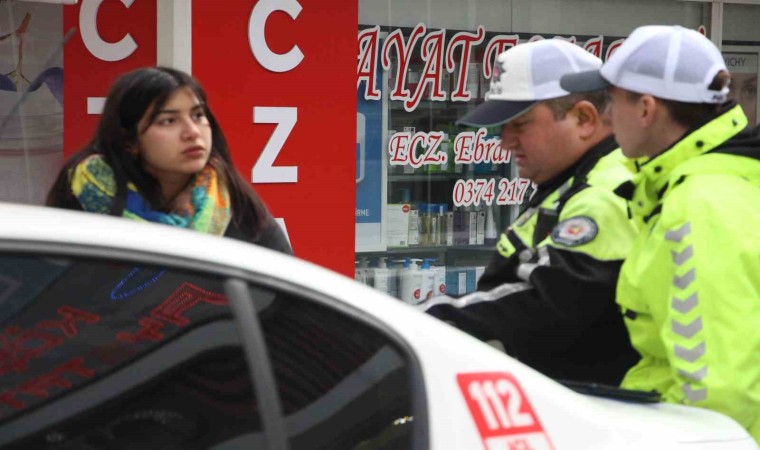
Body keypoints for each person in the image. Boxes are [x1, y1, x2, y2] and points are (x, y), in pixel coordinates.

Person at [560, 25, 760, 442]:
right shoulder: (717, 183)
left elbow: (718, 396)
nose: (607, 117)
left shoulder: (699, 206)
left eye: (612, 101)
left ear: (646, 109)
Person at [422, 40, 639, 385]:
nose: (505, 142)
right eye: (503, 127)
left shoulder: (603, 193)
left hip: (591, 405)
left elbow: (545, 307)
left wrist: (421, 323)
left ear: (584, 119)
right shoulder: (574, 181)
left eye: (520, 125)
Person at [46, 66, 291, 254]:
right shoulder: (83, 204)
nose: (192, 132)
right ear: (129, 140)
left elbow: (287, 295)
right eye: (168, 121)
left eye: (197, 115)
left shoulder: (233, 207)